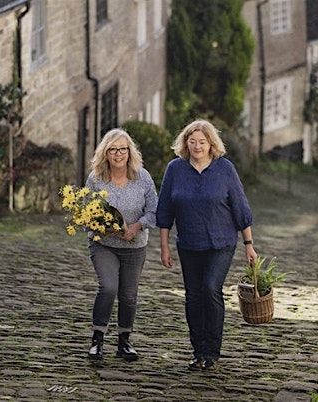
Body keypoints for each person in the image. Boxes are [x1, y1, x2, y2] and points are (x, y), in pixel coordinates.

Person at [156, 119, 257, 371]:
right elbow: (165, 210)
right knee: (193, 296)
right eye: (192, 141)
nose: (197, 146)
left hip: (220, 243)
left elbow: (240, 208)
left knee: (211, 289)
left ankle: (212, 351)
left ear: (211, 144)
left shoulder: (225, 169)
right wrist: (164, 247)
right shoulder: (175, 169)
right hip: (189, 243)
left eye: (202, 142)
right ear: (185, 143)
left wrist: (249, 243)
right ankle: (198, 350)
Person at [85, 128, 158, 361]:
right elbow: (85, 214)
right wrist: (104, 227)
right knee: (108, 287)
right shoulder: (96, 178)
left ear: (130, 152)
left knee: (128, 295)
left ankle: (124, 341)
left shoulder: (142, 177)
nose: (118, 154)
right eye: (113, 149)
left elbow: (154, 210)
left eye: (123, 149)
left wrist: (136, 227)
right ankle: (97, 339)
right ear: (105, 153)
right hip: (104, 244)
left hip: (134, 246)